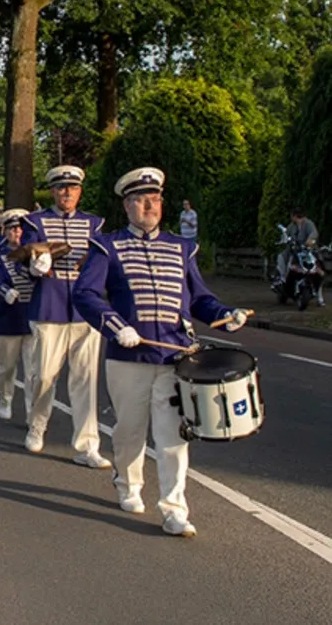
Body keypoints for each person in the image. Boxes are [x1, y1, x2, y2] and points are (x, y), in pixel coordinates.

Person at [74, 167, 251, 537]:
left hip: (176, 358)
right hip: (128, 359)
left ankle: (174, 509)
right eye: (140, 199)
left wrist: (224, 315)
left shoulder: (182, 247)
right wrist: (115, 326)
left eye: (154, 199)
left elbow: (199, 298)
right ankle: (128, 482)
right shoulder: (107, 246)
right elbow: (85, 295)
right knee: (129, 430)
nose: (149, 205)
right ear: (127, 205)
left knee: (173, 436)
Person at [21, 166, 111, 469]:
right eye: (61, 188)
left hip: (86, 311)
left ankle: (87, 445)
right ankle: (38, 424)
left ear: (80, 191)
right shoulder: (35, 222)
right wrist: (33, 266)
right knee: (44, 375)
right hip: (50, 306)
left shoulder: (94, 224)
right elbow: (24, 258)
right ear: (53, 191)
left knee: (86, 380)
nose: (67, 193)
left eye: (72, 188)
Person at [0, 209, 36, 421]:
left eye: (19, 229)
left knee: (34, 370)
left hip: (32, 314)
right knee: (6, 366)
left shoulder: (34, 253)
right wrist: (5, 291)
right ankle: (5, 398)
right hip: (8, 317)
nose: (15, 233)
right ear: (4, 231)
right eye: (11, 229)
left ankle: (31, 410)